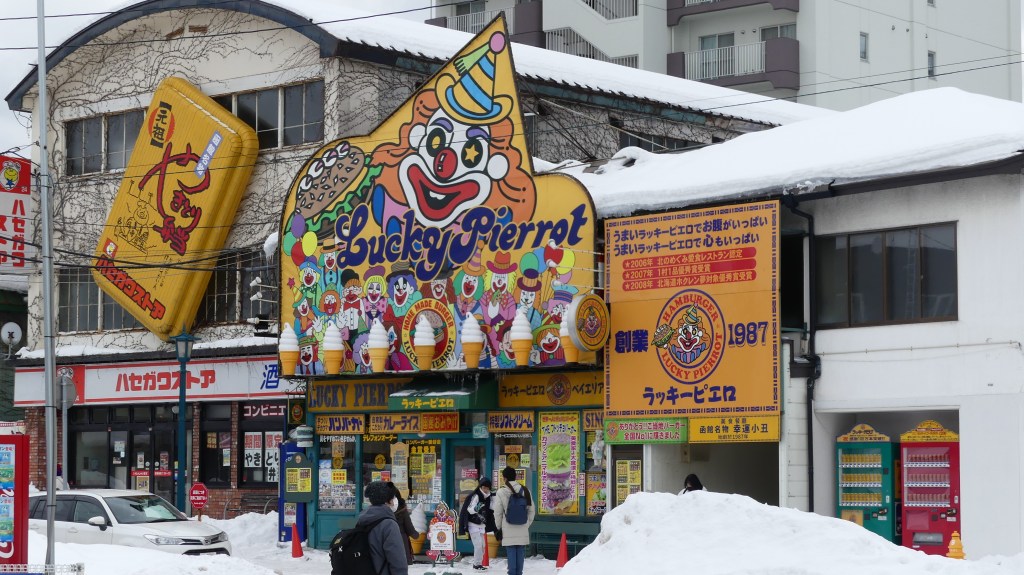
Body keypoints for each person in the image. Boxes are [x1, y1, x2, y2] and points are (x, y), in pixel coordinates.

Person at [355, 480, 408, 575]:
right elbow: (397, 560)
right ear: (388, 500)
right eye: (393, 497)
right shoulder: (389, 524)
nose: (395, 500)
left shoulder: (360, 519)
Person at [492, 467, 535, 575]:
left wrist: (499, 527)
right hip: (522, 526)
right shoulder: (525, 490)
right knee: (520, 550)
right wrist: (526, 524)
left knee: (511, 550)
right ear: (515, 477)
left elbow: (497, 512)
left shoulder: (501, 491)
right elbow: (531, 510)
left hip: (507, 527)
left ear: (504, 478)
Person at [459, 477, 493, 570]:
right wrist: (477, 508)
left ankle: (479, 564)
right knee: (478, 545)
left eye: (487, 488)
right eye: (484, 487)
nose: (485, 489)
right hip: (473, 523)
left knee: (482, 545)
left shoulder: (489, 497)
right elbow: (469, 509)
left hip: (482, 524)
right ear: (480, 487)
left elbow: (492, 507)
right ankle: (476, 564)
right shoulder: (476, 496)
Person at [389, 482, 419, 565]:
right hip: (401, 542)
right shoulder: (402, 510)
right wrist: (415, 534)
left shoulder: (381, 511)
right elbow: (409, 527)